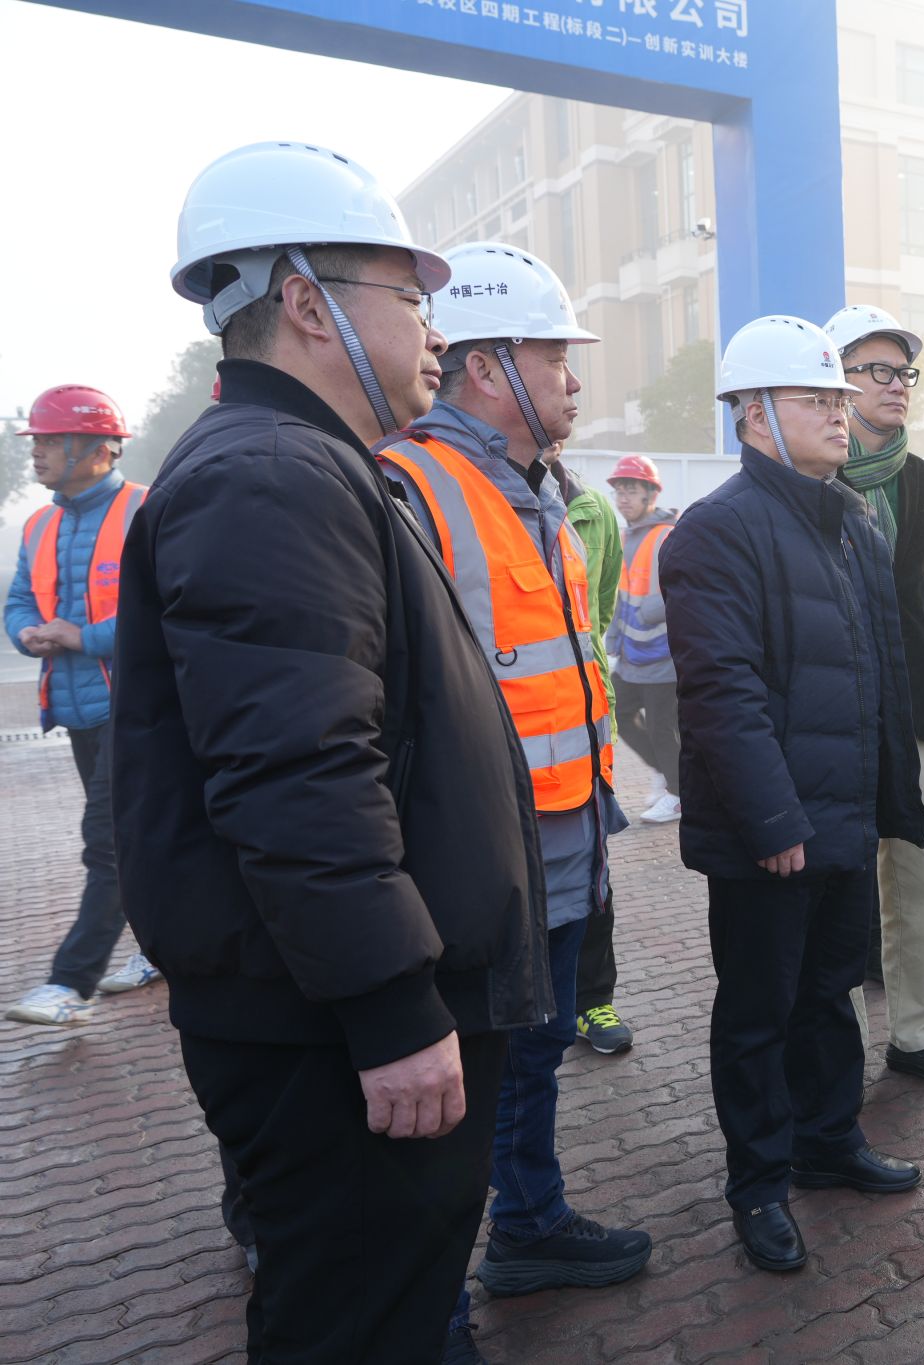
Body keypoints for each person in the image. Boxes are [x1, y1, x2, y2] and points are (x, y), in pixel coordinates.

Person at [115, 139, 550, 1364]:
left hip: (330, 1018)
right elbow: (297, 776)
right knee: (355, 1325)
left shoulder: (304, 464)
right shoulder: (268, 476)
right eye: (409, 295)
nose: (435, 330)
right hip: (332, 1037)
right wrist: (393, 1009)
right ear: (308, 303)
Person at [375, 242, 650, 1347]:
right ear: (486, 367)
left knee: (534, 1050)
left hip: (563, 833)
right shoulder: (415, 484)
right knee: (458, 1082)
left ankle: (529, 1222)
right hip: (474, 856)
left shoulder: (538, 490)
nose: (575, 381)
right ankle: (431, 1304)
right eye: (555, 358)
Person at [661, 314, 924, 1273]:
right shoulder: (715, 531)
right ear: (754, 415)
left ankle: (828, 1139)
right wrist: (775, 822)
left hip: (842, 819)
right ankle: (759, 1183)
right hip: (768, 835)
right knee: (758, 1012)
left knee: (829, 995)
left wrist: (889, 800)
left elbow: (880, 668)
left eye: (838, 396)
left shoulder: (849, 521)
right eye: (817, 398)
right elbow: (722, 696)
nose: (840, 411)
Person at [821, 303, 924, 1092]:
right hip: (839, 714)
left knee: (922, 882)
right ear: (837, 380)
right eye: (878, 371)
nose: (897, 385)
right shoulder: (811, 472)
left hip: (918, 705)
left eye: (904, 372)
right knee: (843, 887)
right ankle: (839, 1046)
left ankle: (918, 1033)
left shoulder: (922, 480)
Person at [4, 385, 153, 1026]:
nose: (35, 453)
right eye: (35, 441)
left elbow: (168, 606)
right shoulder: (40, 525)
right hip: (76, 711)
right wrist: (27, 634)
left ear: (98, 449)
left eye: (49, 440)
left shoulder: (148, 510)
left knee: (108, 842)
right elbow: (19, 600)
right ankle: (161, 950)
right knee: (141, 839)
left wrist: (81, 637)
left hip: (139, 708)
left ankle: (71, 984)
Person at [544, 444, 636, 1058]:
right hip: (505, 733)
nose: (571, 400)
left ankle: (591, 1000)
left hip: (585, 725)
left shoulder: (592, 509)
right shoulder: (462, 492)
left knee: (591, 871)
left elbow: (596, 614)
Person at [606, 455, 682, 831]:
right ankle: (666, 772)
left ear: (651, 494)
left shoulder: (667, 535)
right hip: (633, 655)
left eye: (631, 490)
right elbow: (623, 595)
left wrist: (654, 610)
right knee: (618, 712)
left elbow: (685, 588)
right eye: (619, 491)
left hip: (662, 654)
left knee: (661, 728)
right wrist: (614, 639)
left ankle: (679, 793)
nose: (623, 498)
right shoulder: (626, 536)